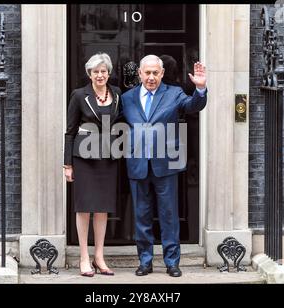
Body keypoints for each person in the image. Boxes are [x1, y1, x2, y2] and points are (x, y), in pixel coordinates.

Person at [121, 55, 207, 277]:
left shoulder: (174, 93)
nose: (151, 77)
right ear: (140, 73)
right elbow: (112, 121)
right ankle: (145, 261)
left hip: (166, 165)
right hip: (138, 163)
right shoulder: (127, 98)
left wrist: (200, 88)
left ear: (162, 74)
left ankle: (171, 262)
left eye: (155, 73)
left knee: (169, 215)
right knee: (141, 215)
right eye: (147, 73)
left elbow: (193, 106)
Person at [64, 53, 123, 277]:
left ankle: (99, 256)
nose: (100, 75)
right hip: (84, 158)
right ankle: (84, 257)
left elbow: (120, 121)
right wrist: (67, 164)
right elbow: (70, 131)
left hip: (107, 159)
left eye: (103, 71)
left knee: (102, 208)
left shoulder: (116, 93)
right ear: (89, 74)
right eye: (95, 71)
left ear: (108, 73)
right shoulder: (79, 95)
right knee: (84, 208)